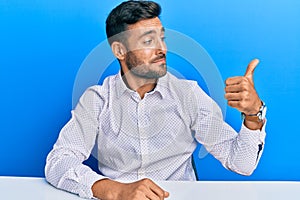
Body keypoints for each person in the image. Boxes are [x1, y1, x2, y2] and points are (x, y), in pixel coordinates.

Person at [45, 1, 267, 199]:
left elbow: (241, 163)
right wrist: (114, 190)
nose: (162, 49)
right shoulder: (98, 100)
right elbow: (58, 161)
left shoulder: (188, 95)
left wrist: (252, 115)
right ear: (120, 50)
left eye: (162, 38)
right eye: (148, 40)